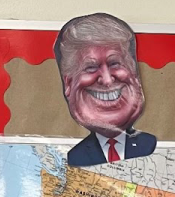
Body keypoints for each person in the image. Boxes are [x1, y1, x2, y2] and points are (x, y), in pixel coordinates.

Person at [55, 12, 157, 167]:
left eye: (115, 63)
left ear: (135, 75)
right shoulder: (71, 159)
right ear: (68, 84)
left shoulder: (156, 147)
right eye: (90, 67)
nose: (107, 80)